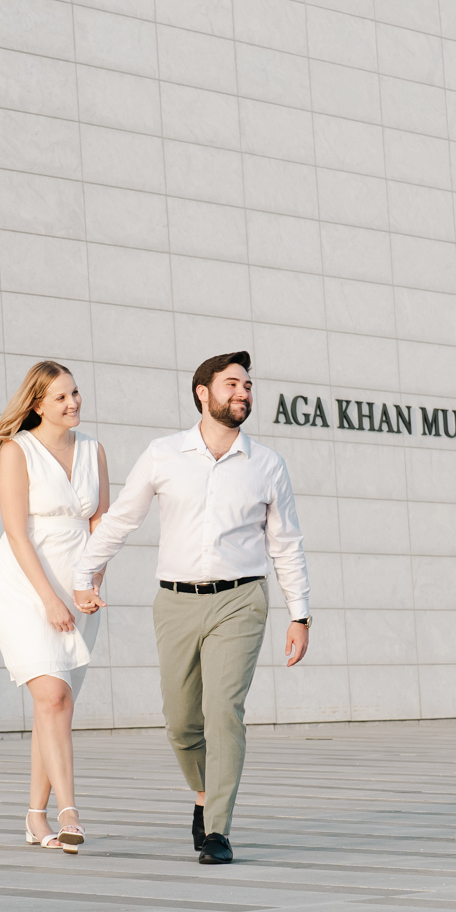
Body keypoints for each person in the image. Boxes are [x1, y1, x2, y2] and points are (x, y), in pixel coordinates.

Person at [72, 351, 309, 864]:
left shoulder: (267, 464)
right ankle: (204, 796)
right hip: (176, 602)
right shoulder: (163, 454)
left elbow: (286, 543)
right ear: (203, 392)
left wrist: (300, 613)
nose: (243, 393)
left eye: (248, 385)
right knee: (181, 722)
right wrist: (82, 575)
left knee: (224, 712)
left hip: (242, 600)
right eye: (232, 384)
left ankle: (219, 829)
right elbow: (119, 521)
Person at [0, 360, 110, 853]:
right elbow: (18, 533)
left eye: (75, 393)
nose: (73, 402)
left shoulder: (94, 451)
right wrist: (50, 598)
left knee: (55, 706)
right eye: (61, 397)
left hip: (79, 590)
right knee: (52, 699)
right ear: (38, 404)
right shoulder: (16, 451)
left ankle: (35, 817)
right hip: (28, 586)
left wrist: (89, 584)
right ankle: (69, 810)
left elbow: (102, 524)